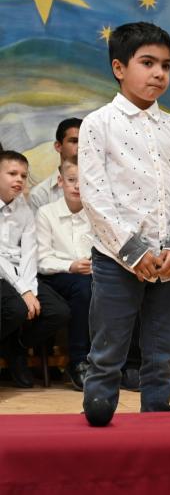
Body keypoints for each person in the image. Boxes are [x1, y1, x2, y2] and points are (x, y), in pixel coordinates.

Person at [78, 22, 170, 426]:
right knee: (108, 349)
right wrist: (133, 251)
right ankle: (98, 415)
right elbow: (95, 197)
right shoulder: (98, 124)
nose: (158, 73)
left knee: (163, 352)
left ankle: (156, 420)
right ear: (119, 67)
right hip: (117, 259)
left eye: (166, 65)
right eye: (147, 63)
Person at [0, 150, 71, 388]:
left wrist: (30, 288)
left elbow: (29, 253)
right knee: (16, 310)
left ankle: (16, 347)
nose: (19, 179)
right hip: (2, 273)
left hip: (21, 272)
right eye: (12, 173)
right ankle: (10, 351)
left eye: (23, 175)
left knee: (59, 312)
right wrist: (23, 290)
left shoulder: (24, 208)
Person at [35, 157, 93, 390]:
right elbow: (41, 260)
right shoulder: (46, 213)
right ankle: (79, 360)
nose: (78, 186)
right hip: (55, 277)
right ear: (60, 181)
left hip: (90, 275)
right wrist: (70, 265)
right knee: (83, 287)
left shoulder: (95, 213)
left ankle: (112, 361)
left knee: (110, 287)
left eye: (83, 181)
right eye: (71, 180)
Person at [28, 118, 81, 211]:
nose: (80, 146)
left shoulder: (103, 185)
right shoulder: (40, 194)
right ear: (58, 146)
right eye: (74, 141)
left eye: (86, 141)